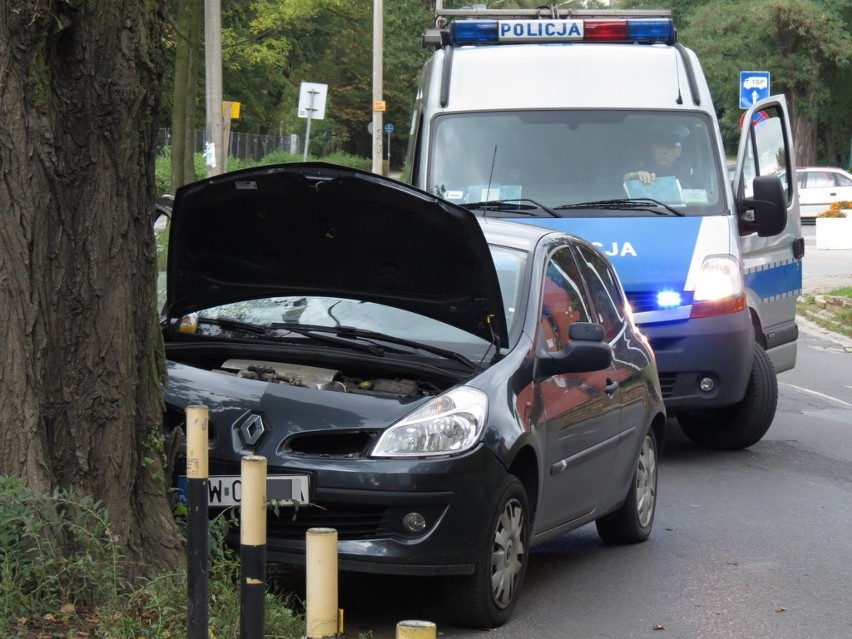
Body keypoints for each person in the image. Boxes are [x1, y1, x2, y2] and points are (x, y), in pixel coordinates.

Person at [623, 125, 695, 188]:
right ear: (651, 149)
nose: (663, 151)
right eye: (659, 145)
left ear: (679, 151)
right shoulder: (639, 170)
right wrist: (630, 178)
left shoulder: (690, 176)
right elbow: (616, 181)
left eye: (669, 146)